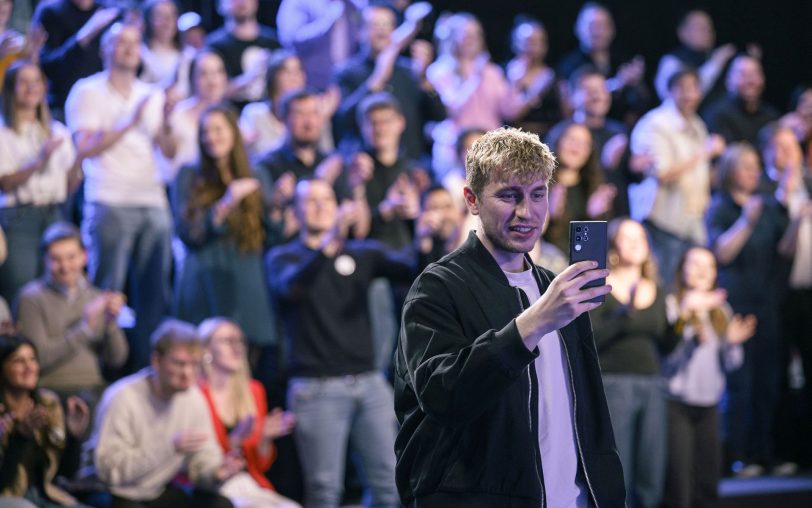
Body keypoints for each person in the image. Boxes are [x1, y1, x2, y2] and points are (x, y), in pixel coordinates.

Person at [394, 126, 625, 506]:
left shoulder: (556, 287)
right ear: (471, 200)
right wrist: (532, 324)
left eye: (538, 195)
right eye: (508, 196)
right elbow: (442, 397)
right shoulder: (436, 286)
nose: (526, 212)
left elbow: (590, 414)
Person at [266, 178, 414, 508]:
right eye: (310, 201)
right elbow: (292, 288)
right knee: (324, 492)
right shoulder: (282, 257)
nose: (320, 206)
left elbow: (414, 267)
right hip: (316, 388)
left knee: (389, 487)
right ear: (296, 211)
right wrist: (328, 245)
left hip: (368, 383)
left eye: (327, 200)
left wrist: (421, 227)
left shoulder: (362, 253)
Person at [65, 22, 174, 371]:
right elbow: (84, 147)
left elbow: (168, 150)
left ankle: (150, 366)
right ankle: (100, 368)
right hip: (109, 197)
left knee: (154, 294)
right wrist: (129, 120)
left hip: (153, 198)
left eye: (134, 42)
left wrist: (168, 121)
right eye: (120, 42)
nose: (129, 48)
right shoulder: (87, 91)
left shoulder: (152, 93)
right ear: (105, 50)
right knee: (105, 290)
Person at [81, 319, 240, 508]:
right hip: (110, 491)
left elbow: (203, 458)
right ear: (156, 361)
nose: (188, 373)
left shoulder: (193, 398)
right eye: (180, 364)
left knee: (220, 504)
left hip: (156, 491)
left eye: (194, 364)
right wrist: (168, 447)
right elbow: (109, 470)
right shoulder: (123, 397)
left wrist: (215, 472)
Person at [705, 143, 793, 476]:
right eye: (746, 166)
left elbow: (783, 250)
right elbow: (721, 254)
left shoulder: (768, 206)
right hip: (736, 302)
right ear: (729, 171)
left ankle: (764, 452)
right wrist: (745, 220)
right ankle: (738, 455)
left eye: (756, 165)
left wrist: (798, 221)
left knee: (768, 381)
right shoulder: (722, 207)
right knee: (740, 382)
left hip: (767, 301)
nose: (754, 171)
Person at [172, 104, 281, 352]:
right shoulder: (188, 175)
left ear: (234, 133)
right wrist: (227, 203)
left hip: (246, 273)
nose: (211, 137)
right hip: (205, 274)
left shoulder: (257, 173)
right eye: (205, 131)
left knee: (246, 354)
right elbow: (189, 233)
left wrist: (277, 205)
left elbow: (273, 234)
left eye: (218, 129)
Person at [590, 218, 674, 508]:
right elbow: (592, 338)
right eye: (628, 237)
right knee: (620, 462)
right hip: (615, 382)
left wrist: (682, 324)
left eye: (641, 237)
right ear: (613, 246)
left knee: (652, 463)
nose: (637, 243)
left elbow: (665, 343)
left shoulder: (658, 290)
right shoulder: (599, 286)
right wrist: (624, 314)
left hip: (651, 382)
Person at [662, 246, 754, 508]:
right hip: (676, 404)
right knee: (679, 486)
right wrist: (691, 340)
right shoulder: (672, 305)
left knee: (708, 483)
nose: (703, 271)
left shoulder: (720, 309)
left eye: (709, 266)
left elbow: (731, 364)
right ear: (682, 270)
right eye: (696, 264)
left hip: (710, 405)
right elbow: (668, 360)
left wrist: (732, 344)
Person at [630, 68, 725, 286]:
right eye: (682, 88)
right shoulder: (655, 124)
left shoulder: (698, 125)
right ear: (669, 91)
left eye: (694, 88)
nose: (689, 95)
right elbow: (662, 174)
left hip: (693, 221)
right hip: (663, 222)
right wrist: (704, 152)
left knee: (691, 287)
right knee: (662, 286)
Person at [14, 222, 128, 403]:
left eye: (71, 257)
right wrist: (84, 328)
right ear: (44, 260)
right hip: (51, 390)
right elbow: (37, 359)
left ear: (85, 256)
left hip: (94, 387)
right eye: (56, 259)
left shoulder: (96, 296)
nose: (65, 266)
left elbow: (116, 360)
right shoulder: (31, 298)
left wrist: (111, 324)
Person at [0, 60, 83, 304]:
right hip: (18, 217)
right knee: (21, 288)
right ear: (11, 88)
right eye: (23, 82)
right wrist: (39, 159)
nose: (31, 88)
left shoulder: (58, 132)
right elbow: (5, 184)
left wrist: (79, 162)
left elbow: (69, 187)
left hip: (54, 213)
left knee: (57, 288)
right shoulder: (4, 133)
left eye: (36, 82)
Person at [197, 318, 300, 508]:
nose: (237, 348)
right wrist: (234, 441)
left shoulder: (253, 390)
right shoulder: (196, 395)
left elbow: (260, 465)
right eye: (228, 341)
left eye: (240, 341)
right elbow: (200, 461)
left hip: (247, 482)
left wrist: (264, 438)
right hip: (211, 486)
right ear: (206, 349)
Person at [333, 2, 444, 161]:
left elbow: (438, 116)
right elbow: (342, 122)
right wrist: (376, 81)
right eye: (374, 24)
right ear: (360, 32)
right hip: (364, 166)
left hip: (409, 164)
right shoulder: (346, 72)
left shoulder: (408, 71)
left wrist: (424, 80)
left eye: (387, 25)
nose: (381, 30)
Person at [0, 333, 92, 507]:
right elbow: (2, 484)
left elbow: (65, 473)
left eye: (33, 359)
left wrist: (73, 437)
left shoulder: (48, 404)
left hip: (48, 496)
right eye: (19, 361)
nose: (29, 367)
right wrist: (19, 437)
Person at [33, 0, 120, 116]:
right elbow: (47, 67)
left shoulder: (110, 12)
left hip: (104, 105)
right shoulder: (52, 12)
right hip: (62, 106)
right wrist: (85, 34)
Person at [205, 0, 279, 107]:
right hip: (231, 117)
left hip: (271, 117)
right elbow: (211, 93)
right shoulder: (213, 47)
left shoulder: (273, 42)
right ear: (221, 5)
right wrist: (249, 77)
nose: (242, 2)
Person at [701, 55, 779, 147]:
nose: (751, 81)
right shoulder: (716, 115)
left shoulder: (770, 116)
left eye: (755, 74)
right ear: (728, 80)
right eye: (743, 74)